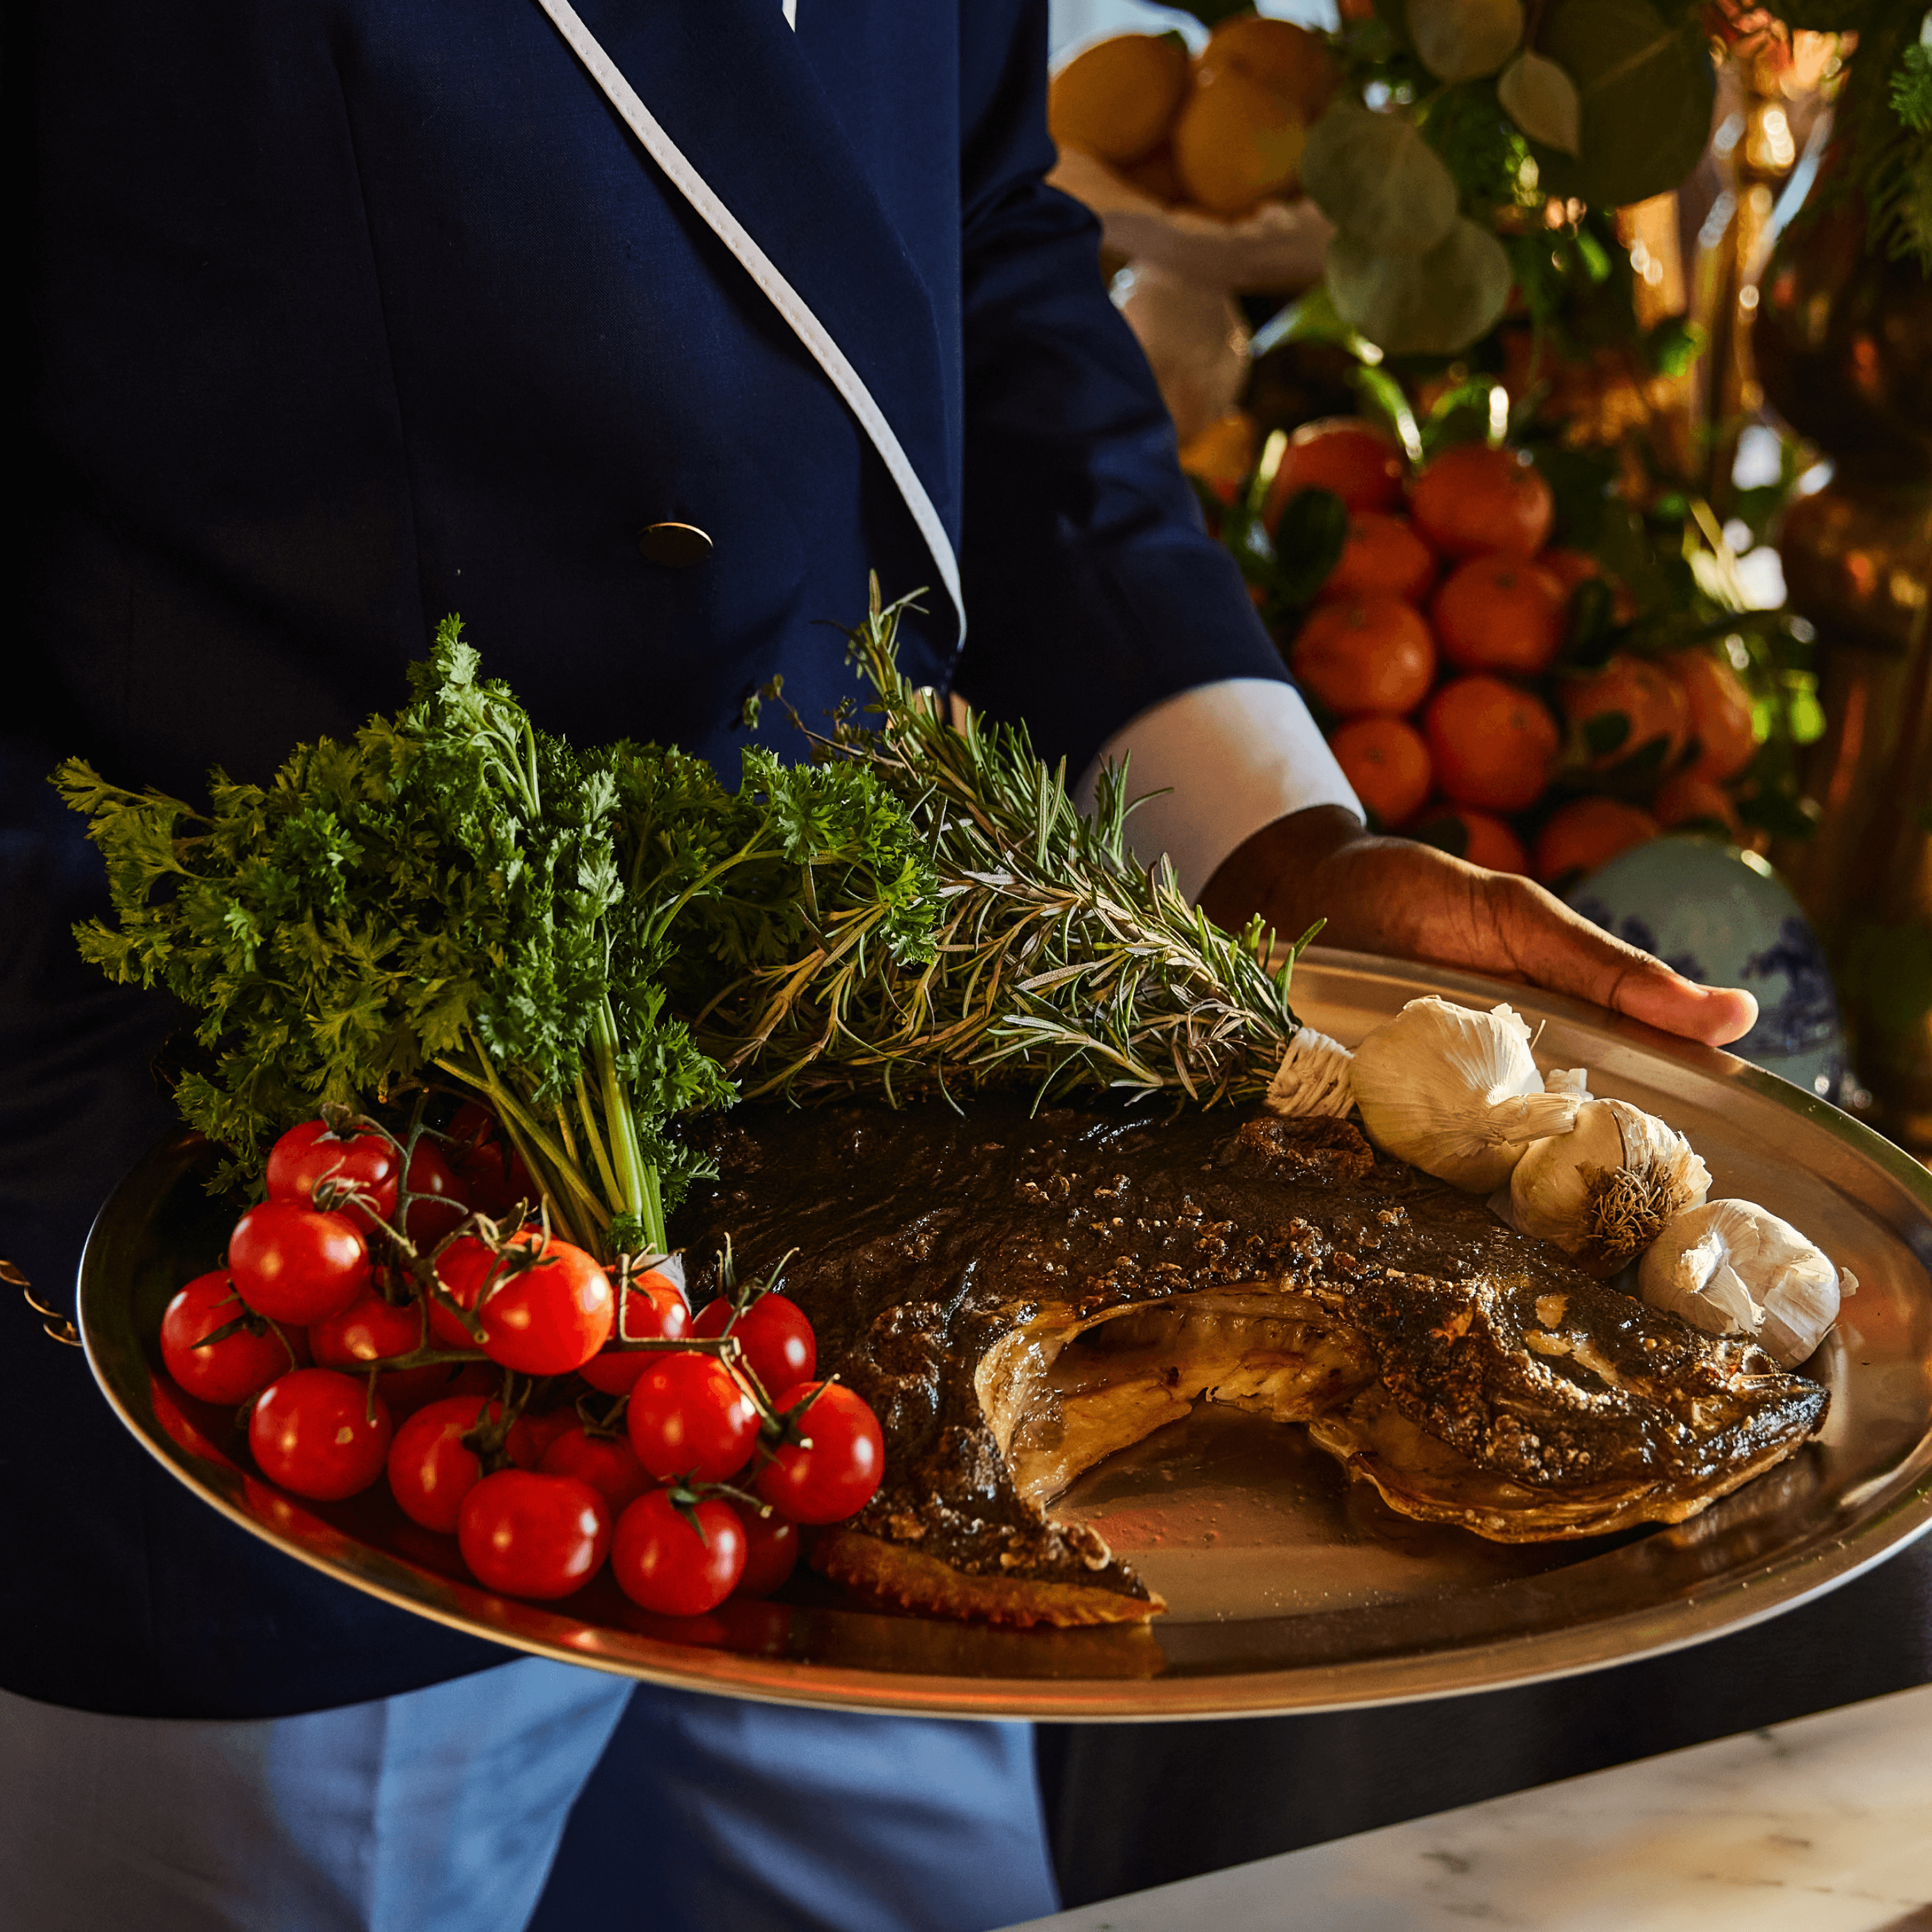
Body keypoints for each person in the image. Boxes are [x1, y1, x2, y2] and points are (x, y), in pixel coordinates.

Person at [6, 3, 1770, 1928]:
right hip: (324, 1322)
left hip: (885, 1280)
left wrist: (1269, 837)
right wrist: (108, 1156)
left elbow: (970, 235)